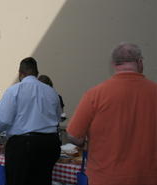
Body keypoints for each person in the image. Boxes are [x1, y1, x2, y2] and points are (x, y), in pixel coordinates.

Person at [67, 42, 157, 185]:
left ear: (113, 63)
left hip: (104, 178)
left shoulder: (94, 95)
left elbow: (73, 135)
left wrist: (85, 145)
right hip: (148, 178)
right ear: (139, 61)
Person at [0, 57, 61, 185]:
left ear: (20, 73)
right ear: (37, 74)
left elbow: (3, 120)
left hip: (24, 145)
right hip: (50, 144)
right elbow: (57, 118)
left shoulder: (14, 90)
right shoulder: (51, 92)